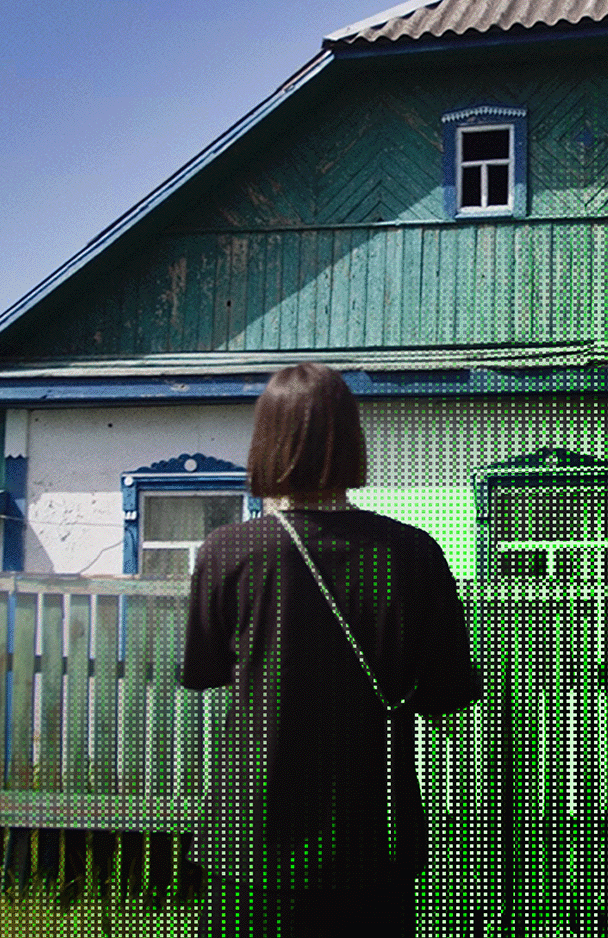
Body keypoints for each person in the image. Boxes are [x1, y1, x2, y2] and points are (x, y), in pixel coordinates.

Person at [181, 362, 483, 936]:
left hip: (251, 837)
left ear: (265, 443)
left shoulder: (226, 551)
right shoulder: (413, 551)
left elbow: (202, 672)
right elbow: (449, 693)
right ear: (351, 441)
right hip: (373, 834)